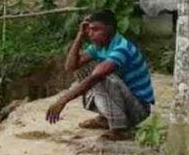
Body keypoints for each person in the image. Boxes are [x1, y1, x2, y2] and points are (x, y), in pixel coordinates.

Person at [45, 10, 155, 141]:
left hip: (138, 109)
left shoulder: (121, 48)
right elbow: (71, 66)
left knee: (102, 77)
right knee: (83, 69)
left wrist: (63, 100)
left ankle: (119, 129)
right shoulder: (99, 46)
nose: (91, 34)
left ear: (110, 29)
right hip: (126, 101)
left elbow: (96, 77)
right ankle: (106, 118)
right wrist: (80, 35)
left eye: (96, 29)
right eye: (89, 30)